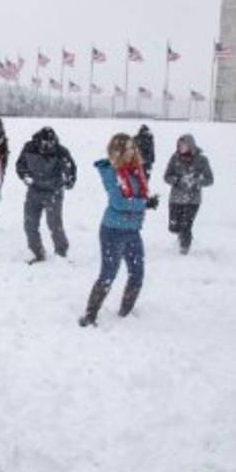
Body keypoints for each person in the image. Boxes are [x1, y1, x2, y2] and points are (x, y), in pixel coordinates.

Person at [79, 133, 157, 327]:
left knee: (137, 273)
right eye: (127, 148)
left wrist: (146, 201)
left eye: (133, 148)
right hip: (113, 230)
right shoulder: (111, 172)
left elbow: (136, 197)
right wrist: (144, 204)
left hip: (132, 230)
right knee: (108, 274)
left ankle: (125, 313)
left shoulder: (135, 170)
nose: (132, 151)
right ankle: (89, 316)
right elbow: (118, 201)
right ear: (117, 151)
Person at [15, 126, 77, 262]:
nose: (47, 146)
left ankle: (61, 252)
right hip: (34, 190)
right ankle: (37, 252)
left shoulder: (61, 152)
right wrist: (25, 176)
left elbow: (71, 170)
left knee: (54, 224)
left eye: (50, 143)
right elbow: (20, 165)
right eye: (44, 143)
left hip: (53, 192)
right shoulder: (29, 148)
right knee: (30, 224)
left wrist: (69, 180)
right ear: (39, 141)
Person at [162, 133, 214, 254]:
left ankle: (184, 247)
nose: (181, 147)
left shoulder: (202, 160)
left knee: (186, 224)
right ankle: (182, 235)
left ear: (191, 145)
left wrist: (196, 182)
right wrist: (177, 180)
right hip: (176, 198)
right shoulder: (174, 158)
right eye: (179, 145)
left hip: (193, 200)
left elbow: (210, 179)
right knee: (174, 227)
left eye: (183, 145)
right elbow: (166, 176)